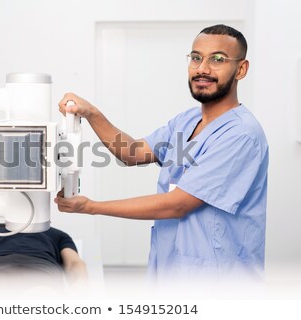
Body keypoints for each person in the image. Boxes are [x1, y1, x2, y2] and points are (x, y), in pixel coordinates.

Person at [55, 24, 268, 281]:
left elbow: (177, 204)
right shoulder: (186, 121)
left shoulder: (240, 135)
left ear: (241, 69)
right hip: (171, 270)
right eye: (196, 58)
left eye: (218, 59)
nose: (203, 68)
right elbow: (132, 152)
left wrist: (90, 207)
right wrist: (91, 113)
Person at [0, 226, 87, 297]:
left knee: (40, 295)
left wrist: (80, 284)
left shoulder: (57, 234)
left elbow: (74, 263)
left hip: (37, 269)